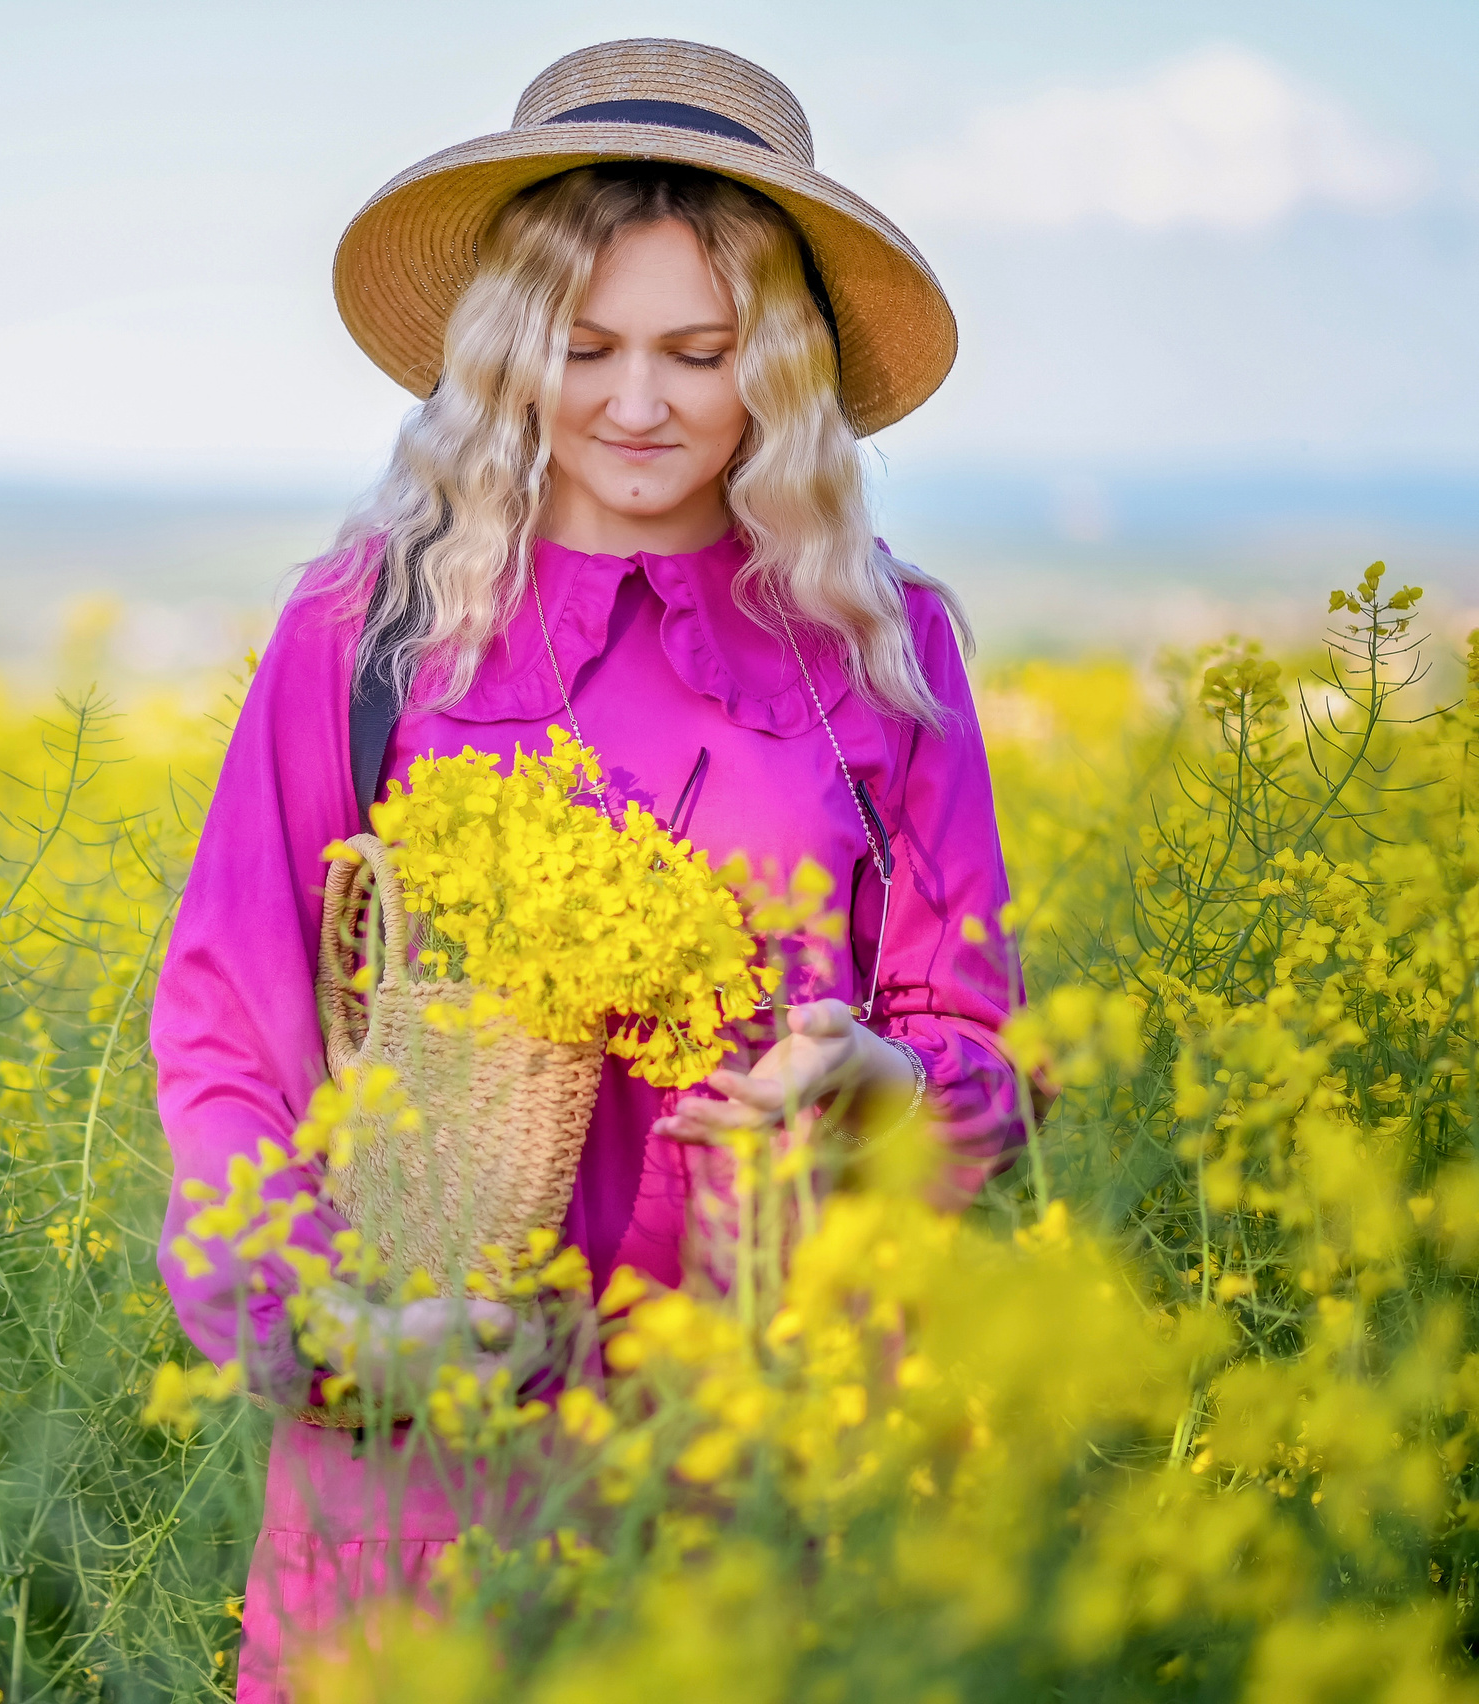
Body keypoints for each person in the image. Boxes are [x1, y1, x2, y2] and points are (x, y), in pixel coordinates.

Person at [148, 39, 1028, 1702]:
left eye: (700, 352)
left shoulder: (882, 647)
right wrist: (314, 1323)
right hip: (437, 1399)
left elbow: (975, 1035)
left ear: (776, 365)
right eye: (588, 346)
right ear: (508, 357)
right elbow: (230, 1022)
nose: (640, 405)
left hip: (779, 1410)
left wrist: (882, 1079)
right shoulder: (369, 631)